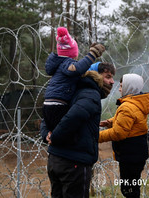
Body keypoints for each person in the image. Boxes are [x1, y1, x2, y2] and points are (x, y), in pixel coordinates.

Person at [40, 62, 115, 198]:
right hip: (74, 163)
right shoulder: (90, 93)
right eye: (108, 76)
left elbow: (48, 116)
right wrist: (55, 137)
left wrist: (47, 134)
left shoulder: (70, 91)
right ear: (96, 75)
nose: (112, 81)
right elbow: (75, 116)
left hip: (56, 160)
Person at [99, 73, 149, 198]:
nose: (119, 89)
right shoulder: (137, 102)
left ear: (130, 87)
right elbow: (132, 119)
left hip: (130, 155)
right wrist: (111, 122)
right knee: (133, 187)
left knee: (128, 189)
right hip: (137, 154)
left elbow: (118, 133)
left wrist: (97, 136)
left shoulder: (127, 107)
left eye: (122, 86)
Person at [43, 26, 105, 132]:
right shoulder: (67, 64)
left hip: (49, 104)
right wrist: (92, 54)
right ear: (72, 53)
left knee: (55, 131)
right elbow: (78, 68)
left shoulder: (59, 65)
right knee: (65, 132)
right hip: (58, 104)